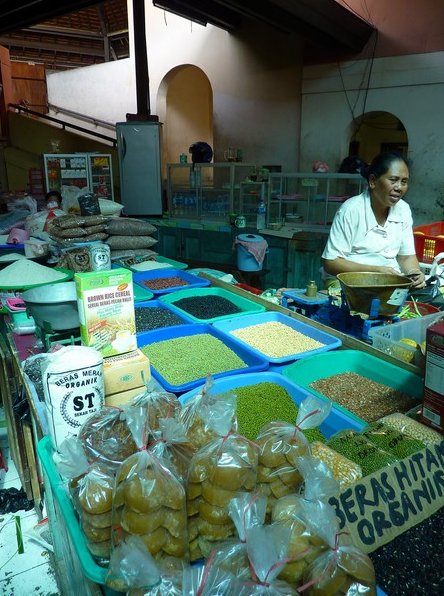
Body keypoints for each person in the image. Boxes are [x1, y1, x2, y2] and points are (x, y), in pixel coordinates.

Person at [321, 151, 426, 290]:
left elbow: (406, 257)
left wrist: (414, 273)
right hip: (348, 283)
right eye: (393, 180)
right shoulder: (351, 210)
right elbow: (331, 262)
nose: (399, 187)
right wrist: (376, 271)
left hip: (388, 282)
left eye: (404, 182)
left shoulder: (403, 210)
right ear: (372, 181)